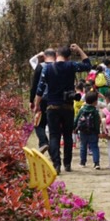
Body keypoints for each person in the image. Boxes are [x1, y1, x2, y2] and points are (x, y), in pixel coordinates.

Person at [35, 43, 92, 173]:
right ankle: (67, 164)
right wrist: (79, 49)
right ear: (68, 57)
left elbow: (40, 88)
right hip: (68, 107)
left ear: (56, 55)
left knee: (54, 136)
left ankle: (56, 164)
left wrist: (37, 105)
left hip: (52, 106)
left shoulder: (48, 68)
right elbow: (88, 65)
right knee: (67, 135)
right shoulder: (71, 65)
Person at [28, 49, 54, 152]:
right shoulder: (60, 66)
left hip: (42, 99)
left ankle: (43, 143)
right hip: (56, 100)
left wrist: (32, 100)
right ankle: (53, 150)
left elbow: (35, 85)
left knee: (38, 123)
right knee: (53, 127)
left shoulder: (41, 67)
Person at [76, 91, 102, 169]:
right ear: (95, 102)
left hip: (83, 131)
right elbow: (97, 123)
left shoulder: (82, 110)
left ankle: (82, 162)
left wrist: (74, 128)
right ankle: (96, 163)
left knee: (83, 146)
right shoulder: (95, 111)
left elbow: (77, 119)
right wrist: (98, 132)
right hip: (93, 132)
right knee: (94, 147)